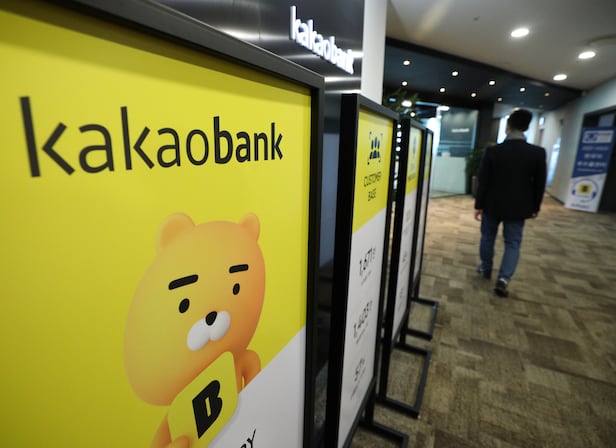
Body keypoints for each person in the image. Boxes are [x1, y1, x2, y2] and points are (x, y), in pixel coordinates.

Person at [474, 109, 547, 297]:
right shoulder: (537, 153)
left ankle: (486, 268)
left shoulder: (493, 151)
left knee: (487, 237)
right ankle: (504, 279)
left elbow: (484, 180)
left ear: (508, 126)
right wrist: (536, 206)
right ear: (527, 127)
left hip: (492, 204)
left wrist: (479, 205)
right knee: (513, 243)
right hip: (519, 207)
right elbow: (539, 184)